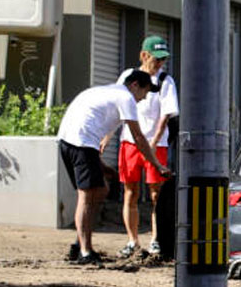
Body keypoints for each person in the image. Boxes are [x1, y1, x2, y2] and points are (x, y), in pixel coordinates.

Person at [57, 70, 169, 265]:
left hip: (68, 141)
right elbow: (139, 137)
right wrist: (157, 165)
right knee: (87, 195)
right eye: (144, 92)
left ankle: (80, 243)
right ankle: (84, 251)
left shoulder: (106, 93)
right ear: (134, 85)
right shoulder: (125, 98)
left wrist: (102, 166)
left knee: (101, 189)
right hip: (80, 143)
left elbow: (89, 129)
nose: (143, 99)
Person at [111, 36, 179, 258]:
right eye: (155, 59)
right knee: (130, 192)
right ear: (144, 55)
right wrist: (108, 136)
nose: (159, 63)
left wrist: (154, 141)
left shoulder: (166, 81)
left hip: (155, 144)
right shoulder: (128, 76)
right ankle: (132, 241)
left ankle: (156, 239)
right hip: (130, 142)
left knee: (156, 194)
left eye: (163, 59)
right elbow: (117, 106)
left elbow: (166, 114)